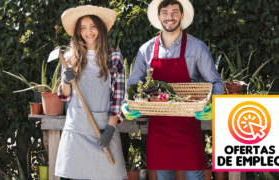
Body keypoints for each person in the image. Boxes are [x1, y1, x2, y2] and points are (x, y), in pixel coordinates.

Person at [122, 0, 224, 179]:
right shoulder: (145, 50)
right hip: (159, 127)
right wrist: (126, 105)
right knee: (163, 175)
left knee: (196, 175)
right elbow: (132, 85)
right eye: (165, 12)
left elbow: (215, 82)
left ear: (182, 16)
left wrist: (215, 107)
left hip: (189, 126)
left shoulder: (197, 47)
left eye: (175, 12)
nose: (170, 17)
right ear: (159, 16)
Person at [55, 5, 127, 180]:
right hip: (76, 131)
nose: (89, 32)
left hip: (103, 131)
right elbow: (66, 95)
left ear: (100, 28)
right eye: (83, 28)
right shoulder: (71, 57)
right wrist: (66, 80)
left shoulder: (114, 57)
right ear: (78, 32)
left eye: (93, 26)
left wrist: (109, 130)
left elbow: (118, 99)